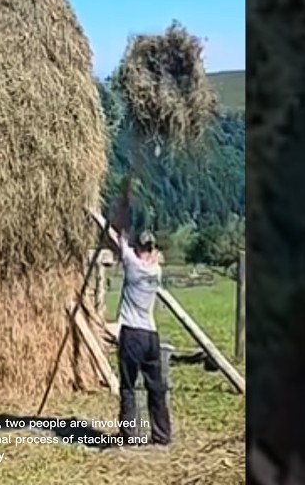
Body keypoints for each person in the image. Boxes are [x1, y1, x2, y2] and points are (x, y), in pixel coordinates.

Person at [105, 175, 172, 447]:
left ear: (139, 248)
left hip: (132, 333)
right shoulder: (156, 271)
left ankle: (130, 434)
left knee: (129, 386)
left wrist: (123, 202)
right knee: (156, 387)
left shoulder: (132, 264)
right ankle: (161, 434)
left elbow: (115, 234)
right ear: (152, 249)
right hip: (151, 337)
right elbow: (153, 257)